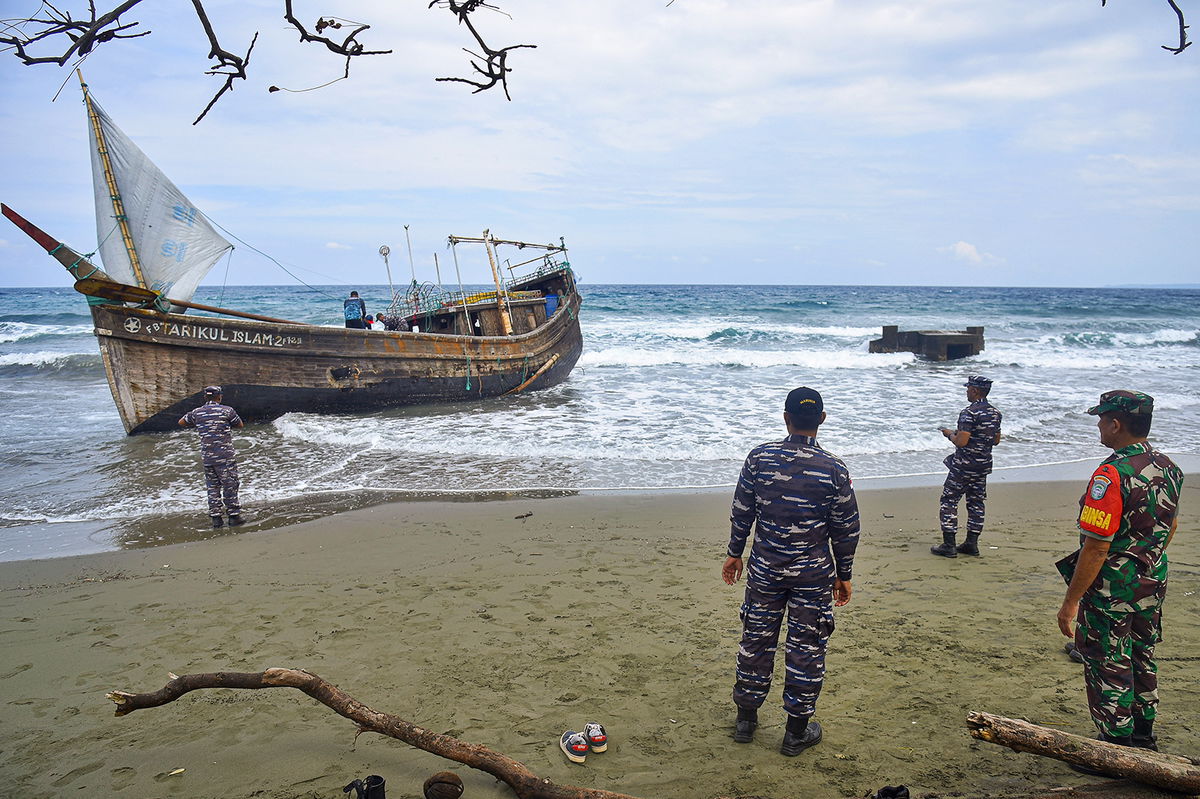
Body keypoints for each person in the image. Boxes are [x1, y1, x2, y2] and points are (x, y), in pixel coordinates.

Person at [722, 387, 861, 756]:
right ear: (822, 419)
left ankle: (745, 722)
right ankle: (795, 732)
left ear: (786, 418)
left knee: (756, 639)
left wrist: (735, 553)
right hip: (812, 576)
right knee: (807, 647)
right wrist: (843, 574)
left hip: (766, 569)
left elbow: (742, 511)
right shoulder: (834, 468)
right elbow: (846, 529)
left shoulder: (759, 458)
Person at [1056, 390, 1183, 762]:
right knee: (1142, 654)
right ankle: (1143, 735)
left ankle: (1116, 749)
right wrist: (1147, 556)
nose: (1098, 425)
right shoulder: (1169, 467)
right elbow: (1170, 524)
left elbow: (1097, 545)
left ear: (1115, 424)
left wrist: (1071, 601)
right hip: (1151, 578)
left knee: (1107, 660)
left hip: (1113, 587)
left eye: (1101, 419)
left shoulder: (1111, 474)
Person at [932, 375, 1002, 558]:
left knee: (949, 500)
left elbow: (962, 442)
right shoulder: (995, 413)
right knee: (976, 503)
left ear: (975, 390)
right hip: (983, 465)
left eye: (968, 388)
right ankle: (971, 543)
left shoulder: (969, 413)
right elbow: (996, 440)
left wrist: (949, 434)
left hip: (963, 466)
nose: (967, 391)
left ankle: (949, 545)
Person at [178, 385, 245, 528]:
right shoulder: (227, 410)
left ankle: (216, 519)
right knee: (230, 484)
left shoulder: (196, 412)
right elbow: (239, 424)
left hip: (208, 457)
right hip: (225, 456)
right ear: (219, 397)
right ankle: (234, 516)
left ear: (204, 397)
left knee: (213, 487)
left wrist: (201, 424)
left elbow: (181, 422)